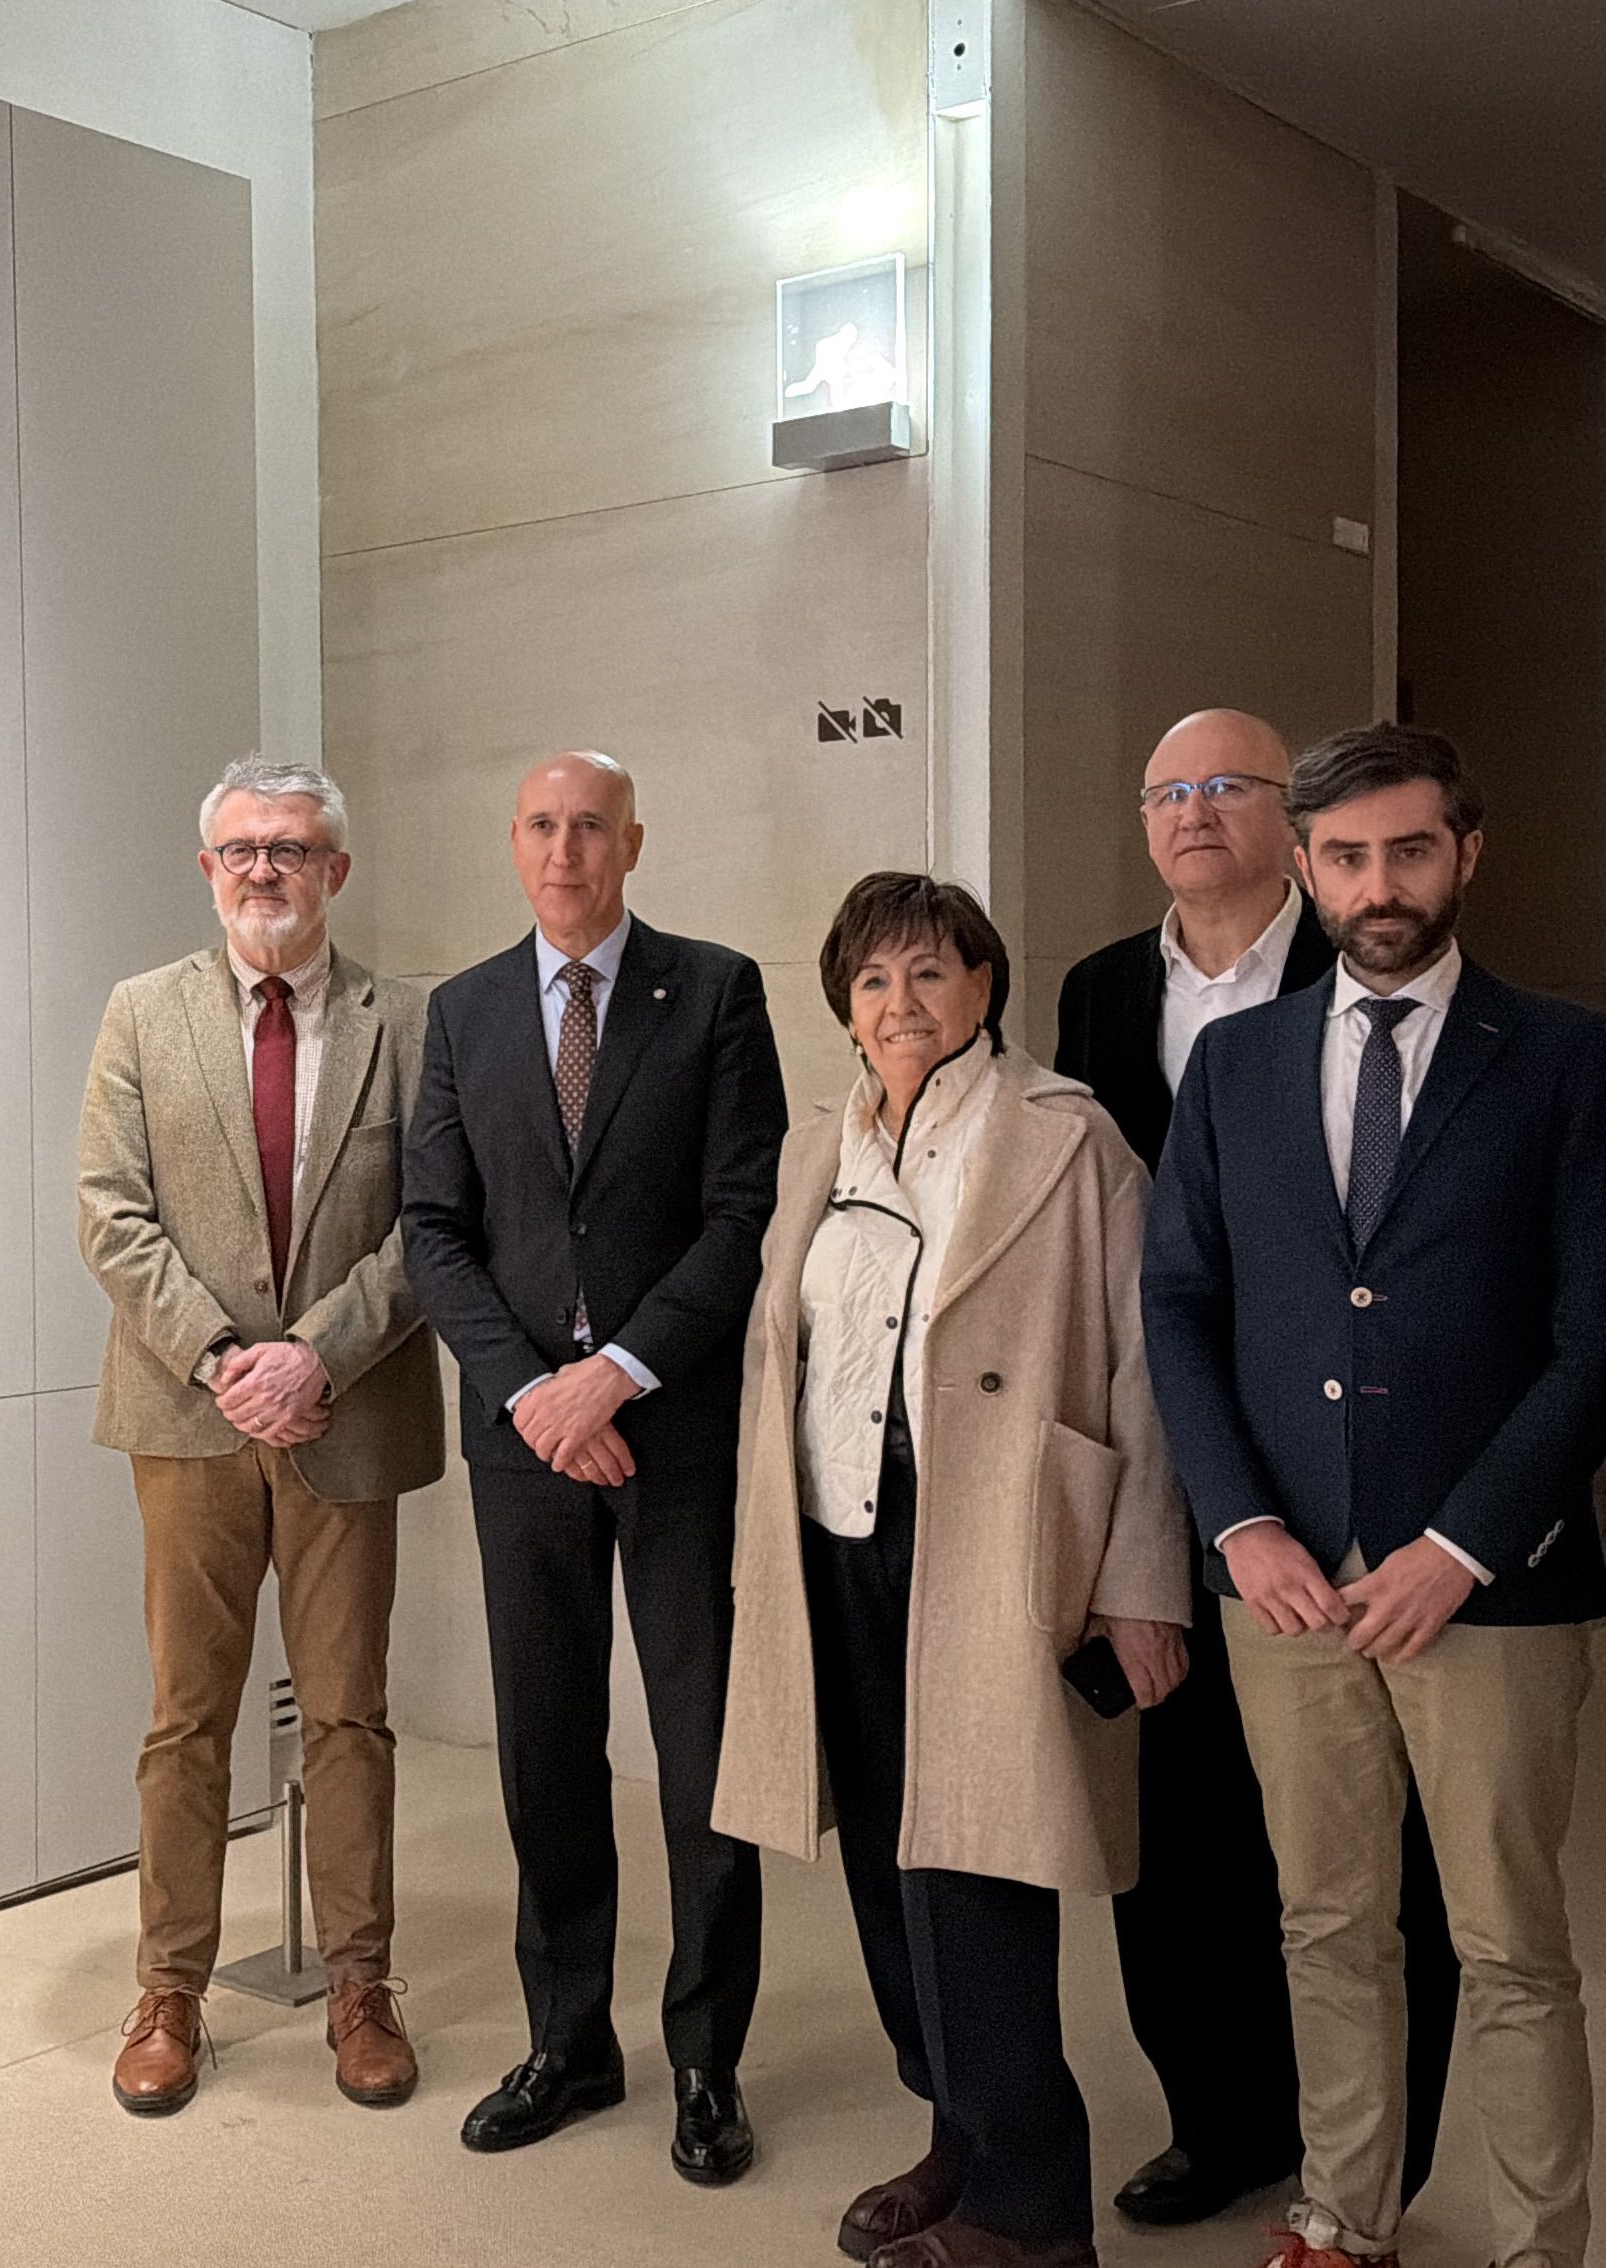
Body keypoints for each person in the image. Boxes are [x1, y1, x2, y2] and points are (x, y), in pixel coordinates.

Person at [1141, 723, 1606, 2268]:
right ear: (1304, 866)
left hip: (1486, 1580)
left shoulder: (1564, 1057)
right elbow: (1178, 1304)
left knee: (1506, 1946)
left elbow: (1605, 1336)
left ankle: (1537, 2244)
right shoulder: (1235, 1065)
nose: (1380, 885)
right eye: (1348, 857)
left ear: (1466, 853)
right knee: (1325, 1924)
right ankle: (1342, 2213)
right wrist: (1240, 1526)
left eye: (1410, 850)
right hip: (1284, 1578)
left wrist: (1463, 1545)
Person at [714, 873, 1189, 2268]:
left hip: (992, 1540)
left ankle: (1035, 2213)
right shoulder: (824, 1142)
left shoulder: (1066, 1137)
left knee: (978, 1860)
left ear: (982, 985)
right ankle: (958, 2132)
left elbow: (1145, 1366)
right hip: (838, 1534)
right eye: (871, 981)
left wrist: (1141, 1580)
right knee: (880, 1851)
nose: (899, 1004)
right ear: (843, 1008)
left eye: (929, 974)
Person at [1050, 711, 1461, 2229]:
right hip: (1169, 1450)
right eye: (1168, 791)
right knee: (1183, 1810)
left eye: (1227, 786)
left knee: (1370, 1834)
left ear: (1291, 825)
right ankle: (1216, 2112)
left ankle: (1374, 2153)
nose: (1194, 812)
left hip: (1338, 1464)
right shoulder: (1099, 990)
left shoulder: (1359, 957)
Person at [403, 749, 788, 2182]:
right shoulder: (464, 1012)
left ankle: (705, 2061)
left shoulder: (718, 989)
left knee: (700, 1757)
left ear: (636, 837)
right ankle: (570, 2041)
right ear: (515, 845)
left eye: (592, 827)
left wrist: (615, 1373)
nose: (568, 850)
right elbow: (435, 1231)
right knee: (546, 1752)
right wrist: (532, 1396)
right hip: (524, 1450)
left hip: (673, 1431)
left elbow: (741, 1214)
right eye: (544, 827)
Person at [76, 756, 443, 2119]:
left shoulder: (411, 1022)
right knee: (187, 1718)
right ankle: (169, 1989)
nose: (265, 870)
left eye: (291, 849)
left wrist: (319, 1355)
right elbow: (109, 1212)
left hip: (349, 1414)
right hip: (188, 1419)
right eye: (240, 850)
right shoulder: (140, 1016)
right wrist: (232, 1362)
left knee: (349, 1713)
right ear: (207, 868)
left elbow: (435, 1223)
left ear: (336, 870)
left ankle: (361, 1983)